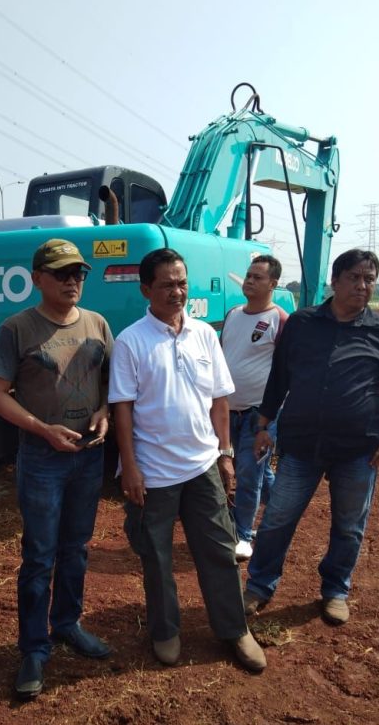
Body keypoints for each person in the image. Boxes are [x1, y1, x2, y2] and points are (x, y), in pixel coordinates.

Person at [244, 249, 379, 624]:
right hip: (301, 445)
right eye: (354, 277)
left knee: (349, 525)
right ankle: (259, 586)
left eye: (369, 279)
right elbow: (279, 379)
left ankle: (336, 590)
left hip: (358, 450)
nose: (362, 286)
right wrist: (262, 426)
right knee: (277, 520)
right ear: (335, 280)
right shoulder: (302, 323)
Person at [109, 248, 267, 672]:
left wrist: (225, 454)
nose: (177, 292)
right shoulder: (130, 342)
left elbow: (219, 400)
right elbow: (122, 410)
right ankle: (165, 631)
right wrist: (130, 467)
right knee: (157, 558)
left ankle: (234, 630)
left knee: (219, 550)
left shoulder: (204, 334)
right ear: (146, 289)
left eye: (182, 283)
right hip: (154, 473)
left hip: (202, 467)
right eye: (166, 285)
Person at [0, 238, 113, 700]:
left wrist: (105, 412)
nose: (71, 281)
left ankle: (67, 624)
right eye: (61, 274)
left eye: (78, 273)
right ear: (37, 278)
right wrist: (41, 430)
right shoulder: (17, 328)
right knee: (40, 555)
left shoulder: (98, 323)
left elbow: (111, 383)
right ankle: (34, 647)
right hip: (42, 459)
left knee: (76, 548)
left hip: (88, 455)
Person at [221, 255, 288, 561]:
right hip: (228, 412)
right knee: (259, 472)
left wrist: (273, 417)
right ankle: (282, 515)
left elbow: (287, 370)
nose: (249, 281)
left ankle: (243, 535)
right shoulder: (233, 314)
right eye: (248, 275)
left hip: (259, 415)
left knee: (248, 474)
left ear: (273, 284)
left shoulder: (280, 320)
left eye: (257, 277)